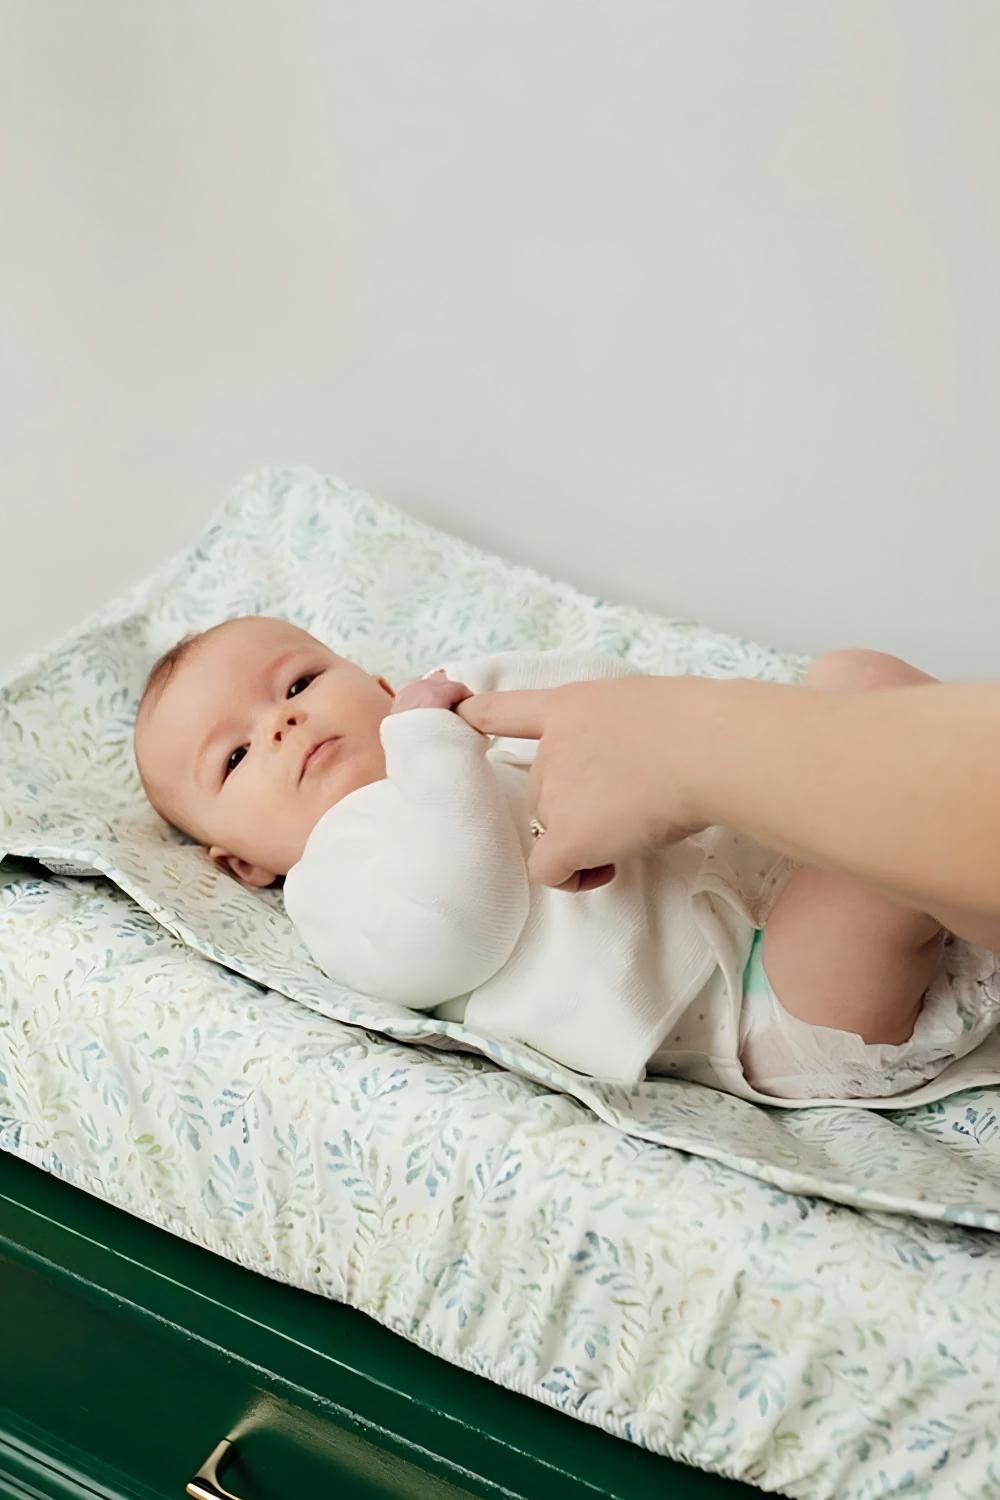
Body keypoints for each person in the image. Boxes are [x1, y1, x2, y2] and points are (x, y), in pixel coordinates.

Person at [133, 615, 1000, 1106]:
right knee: (880, 859)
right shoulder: (333, 876)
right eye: (234, 758)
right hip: (763, 1004)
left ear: (381, 684)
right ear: (243, 867)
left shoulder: (465, 740)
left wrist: (482, 688)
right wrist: (432, 749)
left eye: (298, 684)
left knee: (858, 676)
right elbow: (458, 927)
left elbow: (618, 705)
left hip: (768, 866)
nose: (282, 724)